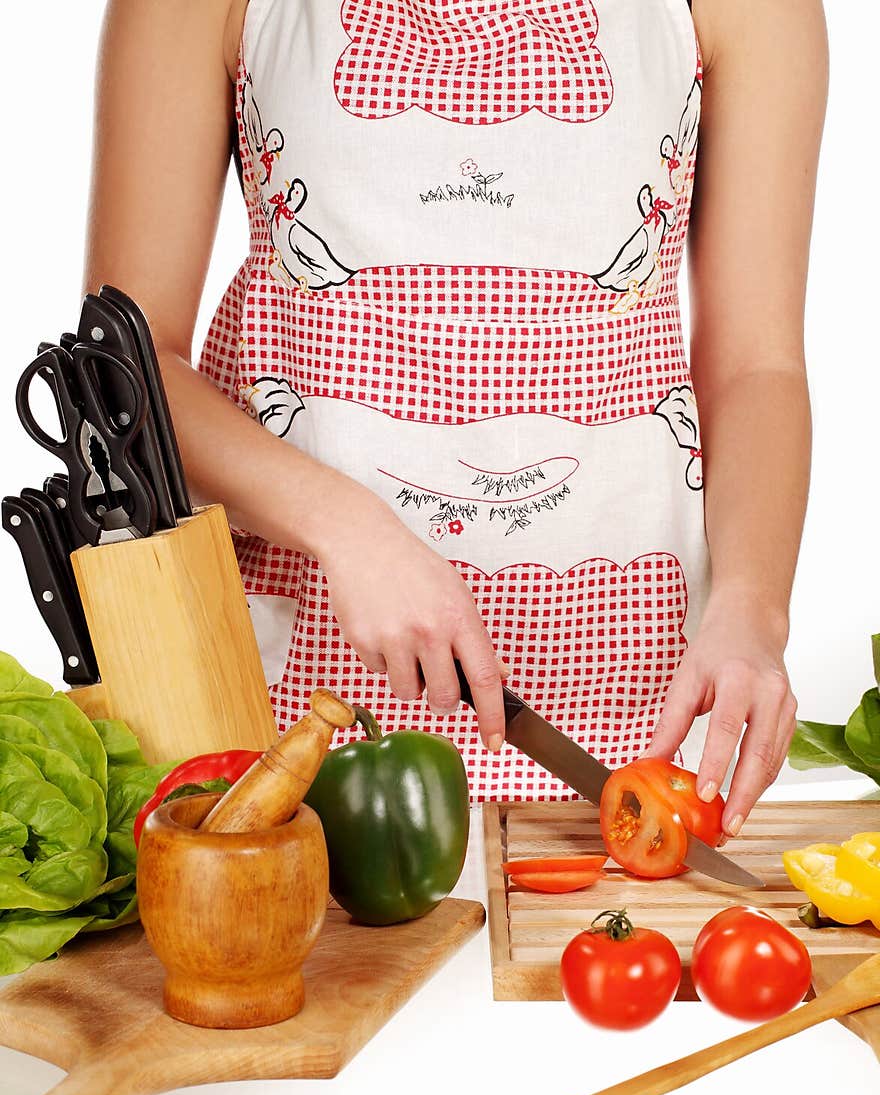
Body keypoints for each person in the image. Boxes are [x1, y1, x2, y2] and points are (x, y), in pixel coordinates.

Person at [85, 0, 828, 830]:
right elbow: (121, 371)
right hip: (282, 704)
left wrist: (752, 612)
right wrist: (344, 525)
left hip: (631, 710)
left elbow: (757, 365)